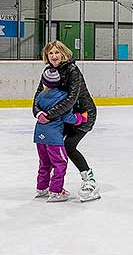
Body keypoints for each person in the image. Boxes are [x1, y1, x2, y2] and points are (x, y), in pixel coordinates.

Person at [33, 40, 100, 202]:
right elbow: (37, 97)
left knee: (69, 147)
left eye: (57, 52)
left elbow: (71, 99)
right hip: (61, 117)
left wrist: (48, 115)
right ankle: (45, 186)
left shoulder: (72, 70)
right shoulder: (49, 71)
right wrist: (38, 113)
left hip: (82, 114)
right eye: (50, 53)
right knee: (52, 148)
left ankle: (89, 179)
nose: (54, 56)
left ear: (63, 53)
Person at [34, 67, 87, 202]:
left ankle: (42, 187)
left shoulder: (40, 96)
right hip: (54, 138)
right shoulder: (63, 97)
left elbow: (37, 108)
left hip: (39, 135)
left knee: (44, 162)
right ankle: (56, 191)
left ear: (44, 83)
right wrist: (81, 118)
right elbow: (68, 118)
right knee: (60, 162)